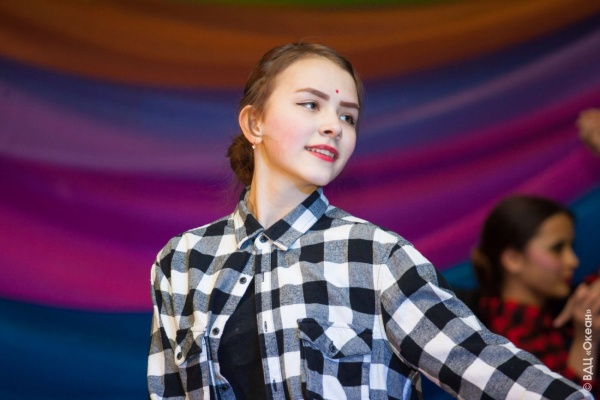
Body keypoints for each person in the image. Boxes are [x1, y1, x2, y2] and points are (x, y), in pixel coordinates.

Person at [147, 42, 593, 399]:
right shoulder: (182, 261)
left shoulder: (376, 256)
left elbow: (482, 363)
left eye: (348, 116)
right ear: (254, 123)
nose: (334, 126)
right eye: (311, 104)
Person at [468, 195, 600, 397]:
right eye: (557, 249)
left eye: (571, 247)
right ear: (513, 259)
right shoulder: (509, 342)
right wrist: (586, 338)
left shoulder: (555, 303)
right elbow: (575, 395)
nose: (573, 261)